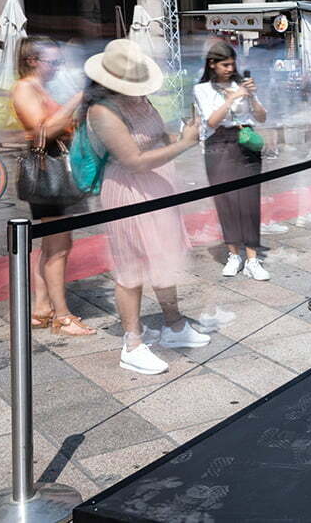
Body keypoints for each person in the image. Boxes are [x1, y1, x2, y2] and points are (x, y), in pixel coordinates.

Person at [83, 39, 208, 375]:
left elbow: (160, 137)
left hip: (157, 188)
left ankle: (174, 324)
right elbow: (134, 160)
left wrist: (186, 133)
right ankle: (132, 342)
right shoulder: (102, 111)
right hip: (127, 190)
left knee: (162, 255)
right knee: (131, 267)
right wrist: (183, 144)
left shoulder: (141, 99)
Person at [10, 36, 96, 336]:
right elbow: (42, 132)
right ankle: (62, 316)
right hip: (49, 173)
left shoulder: (39, 88)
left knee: (53, 244)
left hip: (57, 170)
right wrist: (77, 100)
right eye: (53, 62)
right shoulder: (24, 87)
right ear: (32, 60)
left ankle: (42, 307)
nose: (58, 67)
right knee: (58, 248)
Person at [193, 41, 271, 280]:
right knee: (226, 201)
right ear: (212, 64)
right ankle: (233, 254)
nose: (229, 69)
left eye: (232, 64)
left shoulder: (241, 85)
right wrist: (232, 97)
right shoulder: (202, 89)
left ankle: (252, 259)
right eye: (224, 64)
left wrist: (252, 96)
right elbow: (212, 121)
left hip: (245, 141)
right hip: (219, 145)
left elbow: (262, 117)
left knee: (248, 201)